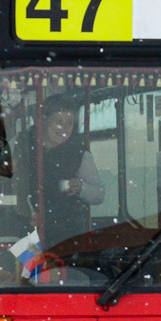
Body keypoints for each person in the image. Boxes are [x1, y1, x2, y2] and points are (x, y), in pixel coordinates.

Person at [20, 96, 105, 248]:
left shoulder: (79, 154)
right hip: (25, 230)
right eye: (59, 122)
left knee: (62, 271)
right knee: (28, 271)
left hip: (66, 234)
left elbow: (98, 194)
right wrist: (28, 212)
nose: (64, 129)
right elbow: (9, 186)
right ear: (44, 121)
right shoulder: (22, 146)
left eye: (69, 123)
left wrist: (81, 188)